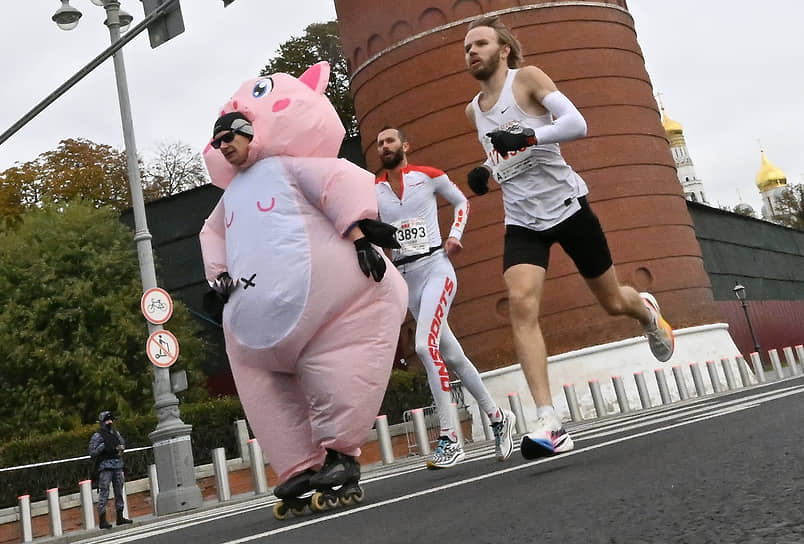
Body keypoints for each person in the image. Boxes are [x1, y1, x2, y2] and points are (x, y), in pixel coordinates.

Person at [462, 15, 675, 459]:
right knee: (521, 305)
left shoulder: (528, 80)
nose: (472, 52)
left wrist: (528, 134)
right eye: (467, 48)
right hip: (522, 219)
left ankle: (646, 312)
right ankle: (549, 420)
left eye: (480, 43)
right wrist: (487, 170)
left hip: (568, 207)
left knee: (613, 301)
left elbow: (577, 124)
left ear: (503, 49)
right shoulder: (473, 110)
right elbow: (502, 154)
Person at [199, 62, 407, 513]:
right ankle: (297, 465)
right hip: (251, 322)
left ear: (249, 132)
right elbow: (211, 234)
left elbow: (339, 181)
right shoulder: (229, 196)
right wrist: (218, 279)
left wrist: (360, 237)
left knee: (335, 362)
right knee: (263, 388)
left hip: (328, 310)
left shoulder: (294, 168)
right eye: (218, 144)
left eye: (229, 138)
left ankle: (341, 457)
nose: (224, 148)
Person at [375, 126, 516, 469]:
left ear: (404, 145)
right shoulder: (373, 189)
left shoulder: (428, 175)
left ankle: (450, 438)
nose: (384, 147)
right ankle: (498, 417)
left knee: (425, 346)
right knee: (453, 354)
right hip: (407, 279)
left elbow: (461, 202)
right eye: (379, 144)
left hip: (437, 269)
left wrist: (455, 235)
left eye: (390, 140)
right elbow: (366, 226)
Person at [88, 411, 132, 529]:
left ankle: (120, 517)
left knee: (119, 492)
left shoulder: (115, 433)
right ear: (102, 422)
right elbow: (92, 452)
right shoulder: (98, 436)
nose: (110, 422)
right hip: (105, 467)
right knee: (104, 492)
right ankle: (103, 519)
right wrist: (103, 447)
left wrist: (119, 448)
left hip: (117, 465)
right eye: (107, 420)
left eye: (111, 420)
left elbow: (122, 445)